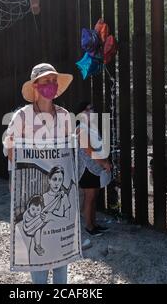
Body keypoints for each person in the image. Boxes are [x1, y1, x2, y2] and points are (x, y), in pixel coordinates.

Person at [4, 63, 74, 284]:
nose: (51, 85)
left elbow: (68, 152)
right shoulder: (22, 116)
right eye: (46, 81)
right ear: (35, 86)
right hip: (30, 189)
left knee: (62, 251)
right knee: (37, 249)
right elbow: (9, 148)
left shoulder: (63, 115)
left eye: (54, 81)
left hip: (58, 185)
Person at [76, 102, 111, 237]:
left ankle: (94, 223)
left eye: (92, 108)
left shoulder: (92, 128)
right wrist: (103, 163)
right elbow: (89, 151)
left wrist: (105, 161)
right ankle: (89, 226)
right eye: (88, 109)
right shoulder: (81, 129)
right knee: (89, 197)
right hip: (87, 169)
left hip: (96, 168)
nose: (91, 111)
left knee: (94, 197)